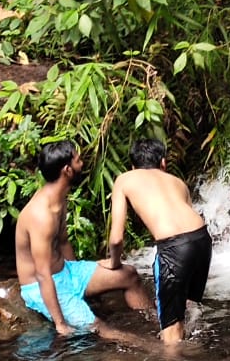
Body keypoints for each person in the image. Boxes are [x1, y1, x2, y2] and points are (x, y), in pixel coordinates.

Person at [16, 139, 154, 337]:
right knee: (100, 327)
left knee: (129, 274)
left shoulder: (59, 197)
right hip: (41, 285)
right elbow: (42, 274)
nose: (82, 164)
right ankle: (160, 353)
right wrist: (60, 323)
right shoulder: (41, 216)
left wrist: (83, 285)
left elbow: (63, 241)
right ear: (67, 170)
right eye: (78, 160)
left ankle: (156, 324)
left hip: (67, 271)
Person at [107, 138, 212, 346]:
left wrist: (114, 264)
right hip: (202, 240)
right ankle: (199, 358)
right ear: (163, 163)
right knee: (190, 310)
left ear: (133, 166)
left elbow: (116, 238)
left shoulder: (125, 179)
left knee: (170, 332)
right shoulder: (178, 182)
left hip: (174, 248)